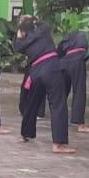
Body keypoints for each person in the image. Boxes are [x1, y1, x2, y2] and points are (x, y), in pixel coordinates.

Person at [14, 15, 74, 153]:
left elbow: (16, 46)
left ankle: (24, 134)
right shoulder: (42, 29)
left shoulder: (23, 40)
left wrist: (20, 30)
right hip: (50, 66)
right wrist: (31, 19)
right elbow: (43, 23)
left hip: (35, 71)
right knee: (57, 103)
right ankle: (58, 144)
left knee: (32, 103)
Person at [57, 31, 89, 133]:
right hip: (77, 61)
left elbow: (59, 52)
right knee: (79, 92)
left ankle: (58, 118)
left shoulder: (66, 39)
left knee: (61, 93)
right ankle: (80, 125)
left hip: (64, 63)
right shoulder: (83, 38)